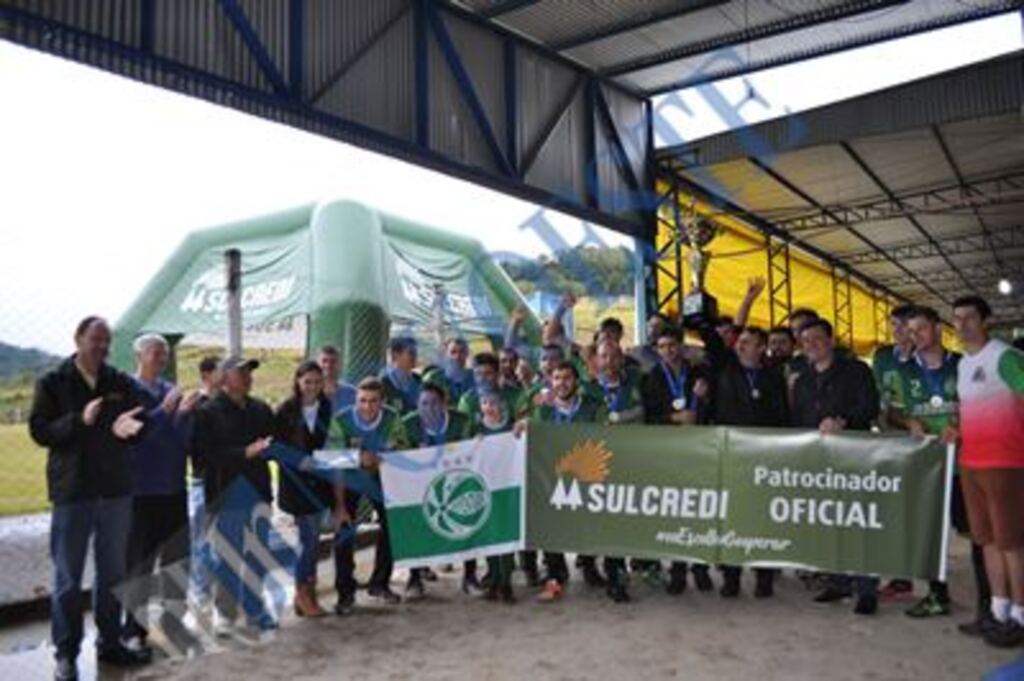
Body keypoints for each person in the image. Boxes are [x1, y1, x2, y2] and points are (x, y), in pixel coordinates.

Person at [29, 316, 151, 680]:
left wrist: (131, 430)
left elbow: (139, 421)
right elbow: (40, 431)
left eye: (106, 341)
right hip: (74, 493)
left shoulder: (119, 381)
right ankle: (66, 654)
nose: (101, 346)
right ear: (78, 339)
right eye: (95, 339)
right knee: (68, 578)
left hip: (115, 491)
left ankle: (110, 644)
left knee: (113, 575)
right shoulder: (53, 382)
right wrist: (78, 420)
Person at [888, 306, 986, 620]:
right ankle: (936, 596)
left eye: (922, 329)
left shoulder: (964, 365)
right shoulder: (904, 371)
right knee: (930, 534)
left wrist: (961, 426)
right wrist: (909, 422)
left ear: (938, 330)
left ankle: (989, 603)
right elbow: (890, 411)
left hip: (965, 466)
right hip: (927, 468)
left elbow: (985, 406)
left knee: (977, 535)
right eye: (910, 330)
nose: (915, 335)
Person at [790, 318, 881, 615]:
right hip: (818, 461)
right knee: (829, 520)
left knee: (858, 521)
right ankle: (839, 580)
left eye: (816, 339)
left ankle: (867, 588)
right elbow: (798, 420)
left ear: (830, 340)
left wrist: (843, 421)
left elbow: (870, 408)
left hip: (854, 456)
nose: (810, 346)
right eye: (804, 342)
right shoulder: (802, 380)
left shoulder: (857, 371)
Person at [952, 295, 1024, 647]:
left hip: (1006, 464)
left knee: (1012, 543)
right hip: (971, 463)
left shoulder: (1006, 357)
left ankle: (1020, 617)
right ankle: (997, 612)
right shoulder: (964, 364)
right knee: (987, 541)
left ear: (986, 321)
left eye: (969, 318)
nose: (962, 325)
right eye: (956, 319)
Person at [122, 334, 198, 652]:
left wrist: (184, 415)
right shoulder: (128, 391)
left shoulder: (172, 391)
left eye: (164, 352)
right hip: (141, 491)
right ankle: (134, 629)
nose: (161, 357)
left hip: (174, 487)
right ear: (139, 355)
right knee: (140, 562)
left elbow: (183, 440)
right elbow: (133, 435)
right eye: (155, 352)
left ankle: (174, 622)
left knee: (177, 560)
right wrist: (165, 412)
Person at [193, 356, 277, 636]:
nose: (248, 376)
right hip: (225, 495)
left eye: (249, 372)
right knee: (226, 558)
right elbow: (203, 458)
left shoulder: (261, 409)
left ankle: (256, 611)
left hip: (258, 494)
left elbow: (276, 441)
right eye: (241, 372)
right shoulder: (207, 412)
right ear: (225, 377)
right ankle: (225, 612)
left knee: (257, 557)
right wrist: (244, 453)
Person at [708, 326, 789, 598]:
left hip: (764, 456)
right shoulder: (724, 369)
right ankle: (731, 576)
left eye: (747, 342)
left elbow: (782, 417)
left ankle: (764, 576)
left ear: (761, 347)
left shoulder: (773, 377)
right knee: (731, 517)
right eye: (739, 342)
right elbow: (714, 342)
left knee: (762, 518)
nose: (741, 346)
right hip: (730, 455)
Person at [641, 326, 713, 595]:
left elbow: (712, 409)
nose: (669, 350)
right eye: (662, 346)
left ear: (682, 346)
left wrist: (704, 398)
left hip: (697, 450)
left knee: (699, 512)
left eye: (673, 345)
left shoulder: (698, 373)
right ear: (657, 350)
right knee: (674, 513)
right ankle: (678, 570)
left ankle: (701, 568)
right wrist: (673, 419)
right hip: (667, 452)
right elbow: (647, 418)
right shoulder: (651, 378)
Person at [528, 361, 608, 602]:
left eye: (567, 378)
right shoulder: (543, 411)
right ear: (550, 383)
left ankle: (590, 566)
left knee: (588, 521)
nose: (561, 383)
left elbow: (605, 436)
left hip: (586, 476)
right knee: (551, 526)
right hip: (552, 478)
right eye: (556, 378)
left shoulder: (593, 407)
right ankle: (556, 575)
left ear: (576, 381)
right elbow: (534, 439)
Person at [328, 377, 409, 613]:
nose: (367, 407)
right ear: (355, 400)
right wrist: (340, 505)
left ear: (382, 402)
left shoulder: (392, 418)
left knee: (392, 527)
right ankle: (345, 593)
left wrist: (383, 458)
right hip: (349, 478)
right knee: (343, 532)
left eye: (373, 401)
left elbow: (403, 451)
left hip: (382, 478)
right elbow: (333, 462)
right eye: (362, 401)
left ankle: (380, 583)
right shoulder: (341, 420)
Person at [273, 361, 334, 618]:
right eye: (307, 381)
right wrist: (300, 462)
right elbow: (276, 448)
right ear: (298, 382)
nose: (312, 387)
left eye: (317, 382)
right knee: (307, 541)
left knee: (313, 540)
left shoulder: (328, 408)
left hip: (321, 484)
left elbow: (332, 443)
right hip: (297, 485)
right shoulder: (286, 410)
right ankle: (302, 592)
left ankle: (309, 592)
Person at [401, 383, 474, 599]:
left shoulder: (462, 421)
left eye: (434, 403)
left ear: (444, 404)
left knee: (470, 516)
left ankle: (470, 576)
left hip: (457, 482)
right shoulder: (407, 424)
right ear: (417, 405)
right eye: (424, 403)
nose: (429, 408)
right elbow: (398, 455)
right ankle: (414, 577)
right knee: (412, 520)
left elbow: (476, 449)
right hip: (421, 487)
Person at [590, 339, 645, 602]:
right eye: (604, 357)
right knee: (607, 525)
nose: (609, 362)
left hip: (632, 465)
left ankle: (629, 571)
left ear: (622, 359)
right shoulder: (588, 391)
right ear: (596, 361)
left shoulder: (638, 385)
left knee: (626, 523)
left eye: (613, 357)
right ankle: (614, 576)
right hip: (599, 469)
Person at [475, 388, 517, 604]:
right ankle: (494, 577)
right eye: (484, 403)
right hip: (486, 488)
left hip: (509, 487)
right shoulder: (476, 429)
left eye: (493, 403)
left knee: (507, 537)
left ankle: (506, 581)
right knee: (490, 535)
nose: (489, 408)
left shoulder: (513, 428)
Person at [186, 356, 220, 611]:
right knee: (202, 540)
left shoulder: (226, 402)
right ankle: (201, 591)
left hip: (226, 480)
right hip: (203, 480)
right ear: (207, 375)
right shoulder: (195, 404)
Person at [381, 337, 422, 415]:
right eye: (411, 353)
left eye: (415, 353)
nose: (415, 357)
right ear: (396, 355)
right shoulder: (383, 383)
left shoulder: (418, 380)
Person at [317, 345, 356, 414]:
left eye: (333, 361)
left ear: (340, 364)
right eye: (324, 361)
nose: (328, 365)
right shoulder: (309, 393)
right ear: (317, 364)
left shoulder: (352, 393)